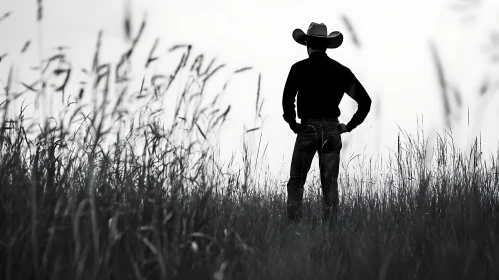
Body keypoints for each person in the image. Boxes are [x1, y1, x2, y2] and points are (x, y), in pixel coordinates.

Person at [282, 22, 372, 222]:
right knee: (330, 183)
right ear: (326, 45)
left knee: (296, 181)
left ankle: (293, 230)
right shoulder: (341, 71)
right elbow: (365, 102)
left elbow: (287, 99)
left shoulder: (299, 68)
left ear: (308, 45)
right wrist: (348, 126)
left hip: (307, 128)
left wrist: (293, 123)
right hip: (332, 130)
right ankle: (332, 230)